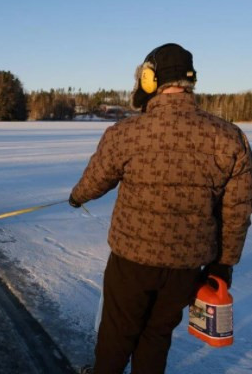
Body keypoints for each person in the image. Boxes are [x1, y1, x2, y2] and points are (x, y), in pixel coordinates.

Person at [69, 43, 252, 374]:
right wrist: (224, 265)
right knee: (157, 335)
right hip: (186, 265)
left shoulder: (125, 133)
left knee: (117, 334)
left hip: (132, 259)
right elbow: (238, 209)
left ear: (150, 80)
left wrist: (76, 197)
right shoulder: (229, 137)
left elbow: (95, 181)